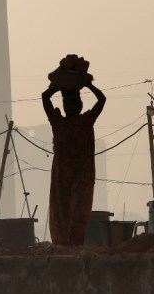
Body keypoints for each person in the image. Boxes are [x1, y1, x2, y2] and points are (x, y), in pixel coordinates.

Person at [42, 60, 106, 246]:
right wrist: (54, 88)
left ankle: (75, 244)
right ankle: (62, 245)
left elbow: (102, 100)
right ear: (64, 106)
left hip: (81, 174)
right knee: (61, 210)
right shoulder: (58, 123)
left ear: (80, 104)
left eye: (75, 102)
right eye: (67, 103)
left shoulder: (86, 121)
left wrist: (89, 85)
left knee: (78, 209)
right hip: (62, 176)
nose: (71, 106)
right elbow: (44, 98)